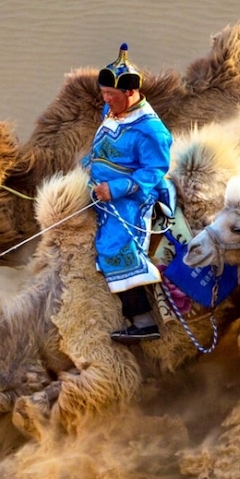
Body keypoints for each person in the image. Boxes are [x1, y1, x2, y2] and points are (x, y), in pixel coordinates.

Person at [83, 43, 173, 342]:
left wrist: (116, 188)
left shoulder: (152, 131)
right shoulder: (111, 110)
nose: (106, 99)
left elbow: (153, 172)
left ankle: (143, 321)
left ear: (131, 93)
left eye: (112, 95)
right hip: (98, 186)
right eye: (104, 93)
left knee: (115, 247)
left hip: (133, 196)